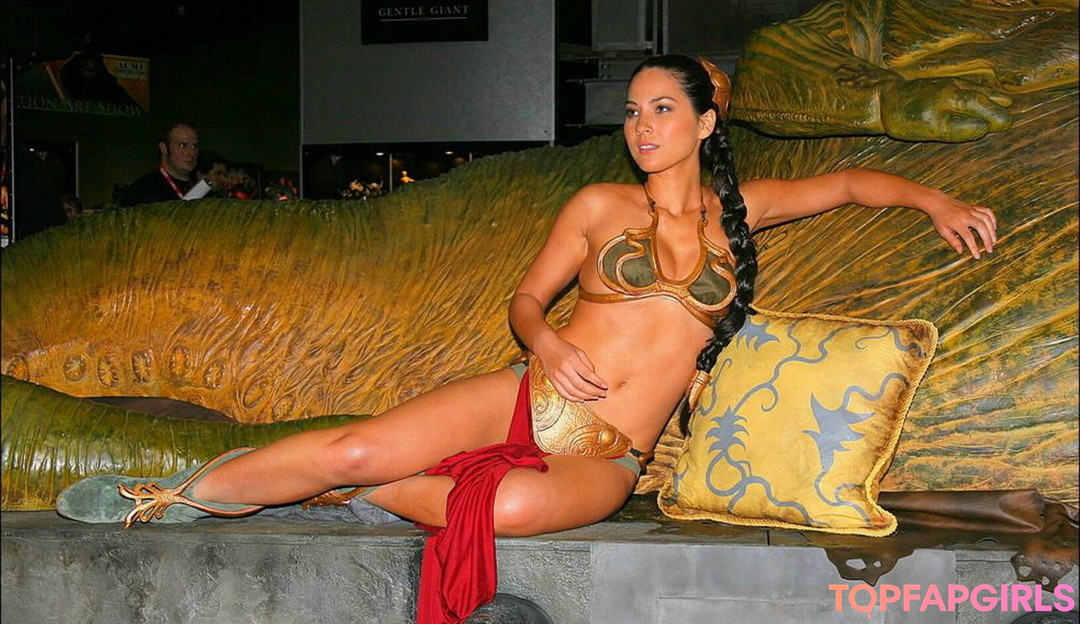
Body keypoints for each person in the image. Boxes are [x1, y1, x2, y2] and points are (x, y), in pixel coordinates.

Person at [56, 55, 997, 622]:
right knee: (357, 442)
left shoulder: (740, 211)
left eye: (661, 109)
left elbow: (848, 184)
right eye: (631, 111)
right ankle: (174, 496)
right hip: (529, 393)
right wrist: (545, 345)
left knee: (498, 509)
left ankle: (332, 489)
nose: (641, 126)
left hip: (611, 450)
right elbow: (525, 300)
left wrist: (935, 201)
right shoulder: (596, 204)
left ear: (706, 121)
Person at [119, 121, 200, 207]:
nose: (191, 153)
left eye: (194, 146)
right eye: (182, 145)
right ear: (164, 148)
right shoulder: (143, 191)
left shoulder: (200, 188)